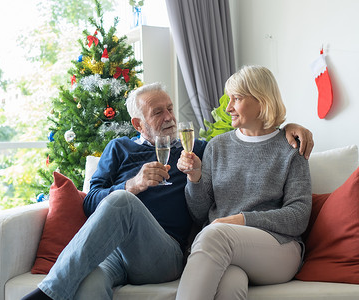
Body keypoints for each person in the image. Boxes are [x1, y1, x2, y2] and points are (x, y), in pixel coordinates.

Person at [22, 82, 313, 300]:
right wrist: (133, 184)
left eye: (170, 108)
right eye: (158, 112)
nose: (169, 116)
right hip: (114, 252)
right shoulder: (118, 149)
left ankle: (47, 293)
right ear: (138, 123)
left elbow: (247, 137)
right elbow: (90, 203)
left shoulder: (195, 149)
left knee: (122, 202)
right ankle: (57, 289)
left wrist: (287, 127)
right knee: (88, 283)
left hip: (163, 254)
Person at [175, 66, 312, 300]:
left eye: (236, 99)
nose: (228, 108)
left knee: (216, 235)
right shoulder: (216, 147)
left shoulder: (290, 148)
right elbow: (200, 215)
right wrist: (195, 178)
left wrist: (243, 220)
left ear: (262, 101)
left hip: (279, 249)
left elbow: (298, 216)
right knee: (230, 284)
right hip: (227, 249)